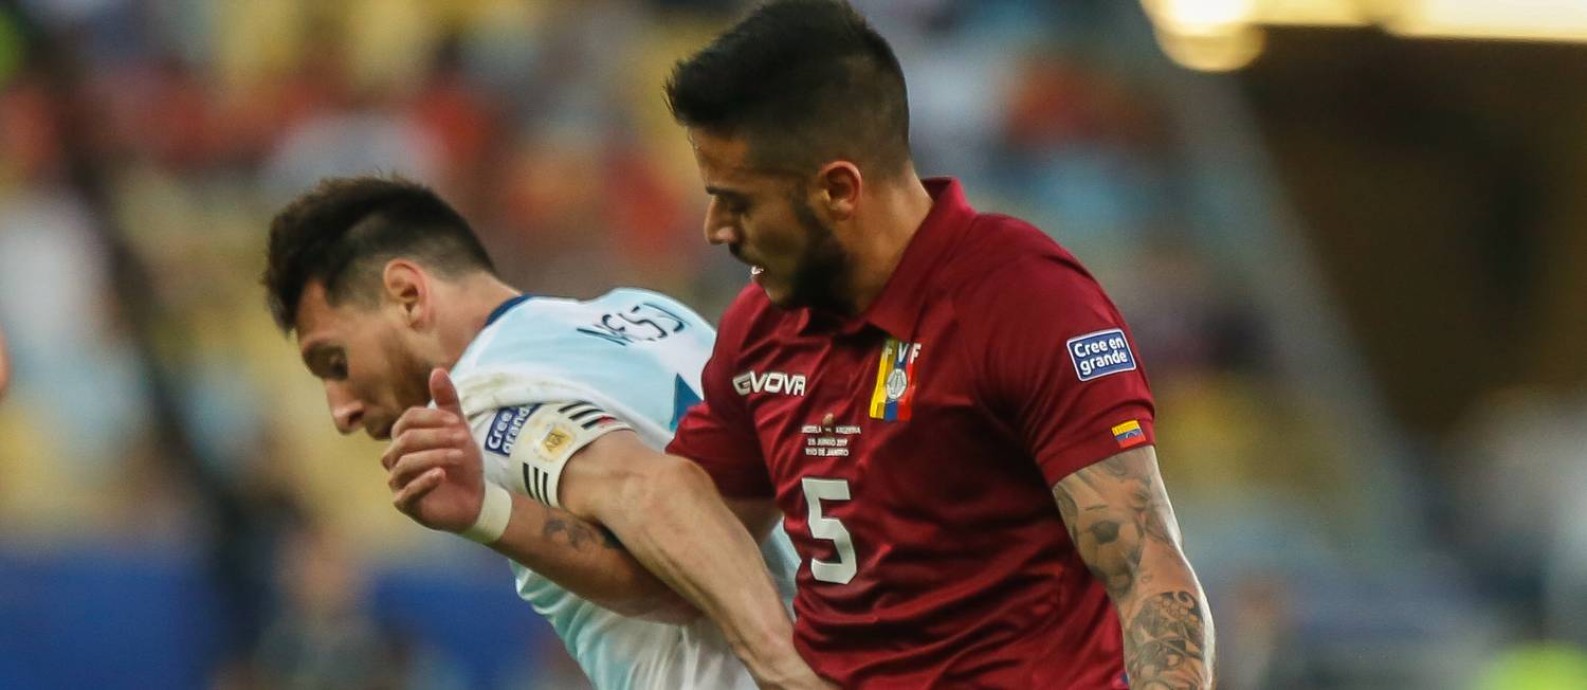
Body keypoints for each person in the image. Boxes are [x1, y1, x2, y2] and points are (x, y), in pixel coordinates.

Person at [261, 176, 827, 690]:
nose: (341, 411)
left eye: (335, 364)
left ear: (408, 294)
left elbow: (652, 489)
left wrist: (784, 667)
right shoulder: (647, 313)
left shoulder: (485, 396)